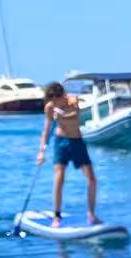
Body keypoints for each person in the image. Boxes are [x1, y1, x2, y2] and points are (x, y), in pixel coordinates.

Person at [35, 81, 99, 227]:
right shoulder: (50, 107)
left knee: (91, 178)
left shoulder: (72, 101)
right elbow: (46, 130)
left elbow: (74, 114)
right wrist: (41, 152)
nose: (53, 104)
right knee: (59, 177)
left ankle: (91, 215)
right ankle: (56, 217)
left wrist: (60, 115)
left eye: (55, 100)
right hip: (61, 142)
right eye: (51, 101)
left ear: (62, 96)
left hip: (77, 142)